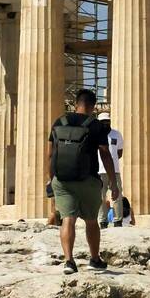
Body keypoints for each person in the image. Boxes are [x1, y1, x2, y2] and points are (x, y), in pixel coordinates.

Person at [46, 88, 118, 275]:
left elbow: (49, 154)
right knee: (91, 221)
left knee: (67, 219)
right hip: (88, 180)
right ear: (93, 106)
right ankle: (94, 259)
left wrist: (51, 179)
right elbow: (105, 154)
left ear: (75, 103)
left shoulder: (58, 122)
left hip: (62, 179)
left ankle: (69, 261)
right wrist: (113, 182)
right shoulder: (95, 125)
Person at [96, 114, 125, 229]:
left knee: (117, 195)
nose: (105, 123)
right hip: (99, 171)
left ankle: (118, 221)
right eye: (102, 121)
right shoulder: (95, 135)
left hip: (115, 171)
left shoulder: (116, 134)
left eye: (107, 121)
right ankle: (103, 221)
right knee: (100, 197)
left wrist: (111, 162)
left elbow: (119, 152)